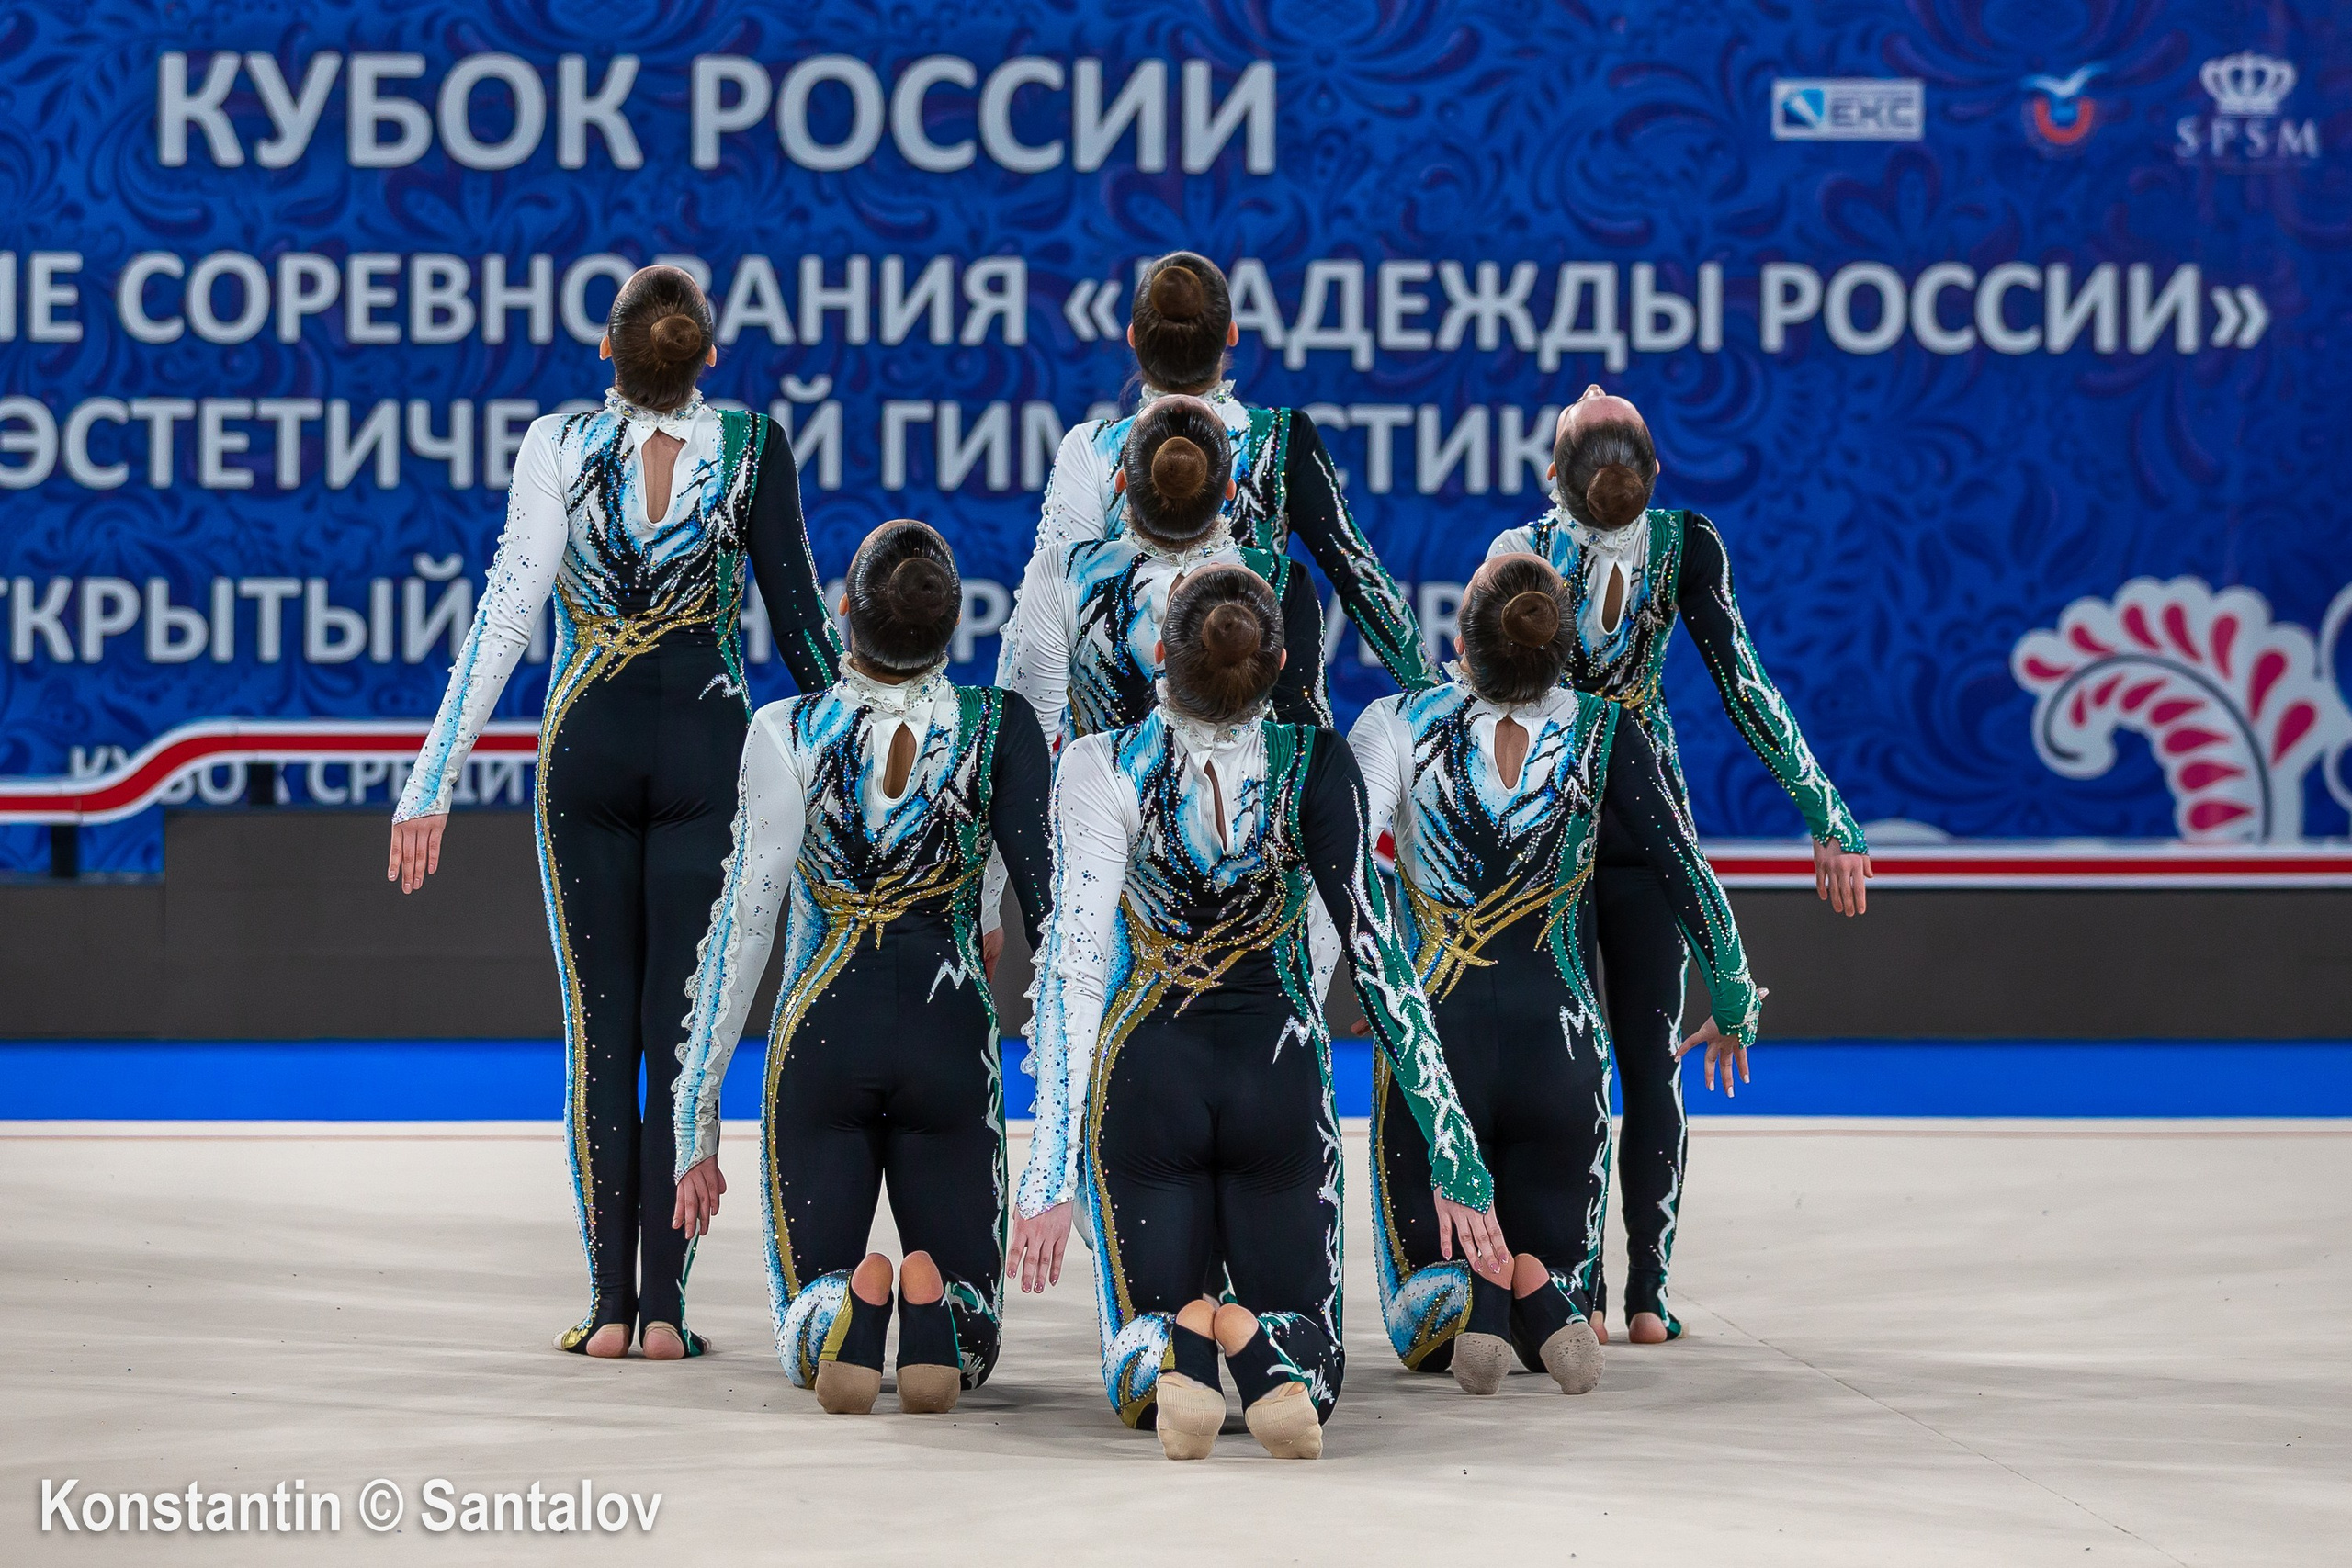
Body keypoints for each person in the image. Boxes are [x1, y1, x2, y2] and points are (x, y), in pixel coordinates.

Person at [386, 265, 841, 1360]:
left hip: (583, 752)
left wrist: (430, 778)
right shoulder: (752, 446)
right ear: (709, 361)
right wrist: (863, 770)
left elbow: (507, 611)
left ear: (608, 353)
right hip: (707, 749)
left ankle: (605, 1307)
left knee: (602, 1034)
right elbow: (802, 627)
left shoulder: (557, 442)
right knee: (684, 1038)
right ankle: (668, 1316)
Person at [1007, 565, 1504, 1461]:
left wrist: (1048, 1174)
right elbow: (1376, 957)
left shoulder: (1097, 766)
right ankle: (1254, 1338)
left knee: (1137, 1372)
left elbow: (1076, 969)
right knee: (1314, 1379)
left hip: (1146, 1082)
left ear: (1159, 655)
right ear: (1279, 663)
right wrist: (1452, 1147)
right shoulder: (1315, 761)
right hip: (1275, 1083)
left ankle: (1189, 1326)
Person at [1487, 384, 1868, 1343]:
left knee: (1571, 1065)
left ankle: (1574, 1289)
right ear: (1653, 477)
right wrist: (1824, 809)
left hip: (1553, 826)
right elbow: (1744, 685)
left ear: (1551, 480)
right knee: (1648, 1064)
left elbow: (1479, 712)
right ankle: (1649, 1298)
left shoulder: (1518, 555)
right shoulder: (1686, 543)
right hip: (1650, 816)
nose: (1590, 387)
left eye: (1586, 407)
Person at [1353, 553, 1761, 1396]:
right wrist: (1735, 1000)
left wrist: (1371, 982)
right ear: (1563, 652)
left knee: (1418, 1320)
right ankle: (1541, 1288)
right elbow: (1688, 871)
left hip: (1437, 1042)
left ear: (1458, 642)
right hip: (1563, 1052)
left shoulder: (1394, 722)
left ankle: (1483, 1301)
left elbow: (1342, 879)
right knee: (1572, 1286)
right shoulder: (1608, 729)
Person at [669, 520, 1051, 1415]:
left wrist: (697, 1116)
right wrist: (1071, 1139)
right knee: (972, 1338)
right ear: (952, 627)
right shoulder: (998, 727)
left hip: (822, 1035)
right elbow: (1053, 926)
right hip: (949, 1038)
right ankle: (930, 1299)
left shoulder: (786, 729)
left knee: (806, 1323)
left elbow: (743, 925)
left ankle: (850, 1301)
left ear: (843, 616)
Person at [1000, 248, 1442, 725]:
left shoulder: (1093, 447)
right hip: (1247, 723)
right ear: (1230, 335)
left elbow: (1060, 598)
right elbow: (1357, 573)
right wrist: (1437, 702)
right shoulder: (1279, 438)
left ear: (1133, 339)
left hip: (1118, 745)